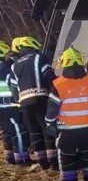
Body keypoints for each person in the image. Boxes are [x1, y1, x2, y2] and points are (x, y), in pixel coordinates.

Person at [45, 47, 88, 181]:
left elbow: (52, 109)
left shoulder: (58, 84)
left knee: (66, 156)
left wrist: (49, 123)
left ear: (63, 64)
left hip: (67, 130)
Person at [8, 36, 57, 170]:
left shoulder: (14, 65)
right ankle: (53, 161)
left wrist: (19, 100)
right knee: (46, 129)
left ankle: (42, 162)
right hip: (41, 98)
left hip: (24, 103)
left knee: (34, 131)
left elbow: (12, 87)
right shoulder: (39, 58)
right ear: (34, 46)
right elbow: (49, 77)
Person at [0, 40, 28, 164]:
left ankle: (9, 156)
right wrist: (18, 100)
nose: (8, 56)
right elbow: (12, 85)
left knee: (6, 130)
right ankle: (21, 158)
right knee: (18, 131)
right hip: (9, 104)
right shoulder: (6, 68)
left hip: (1, 105)